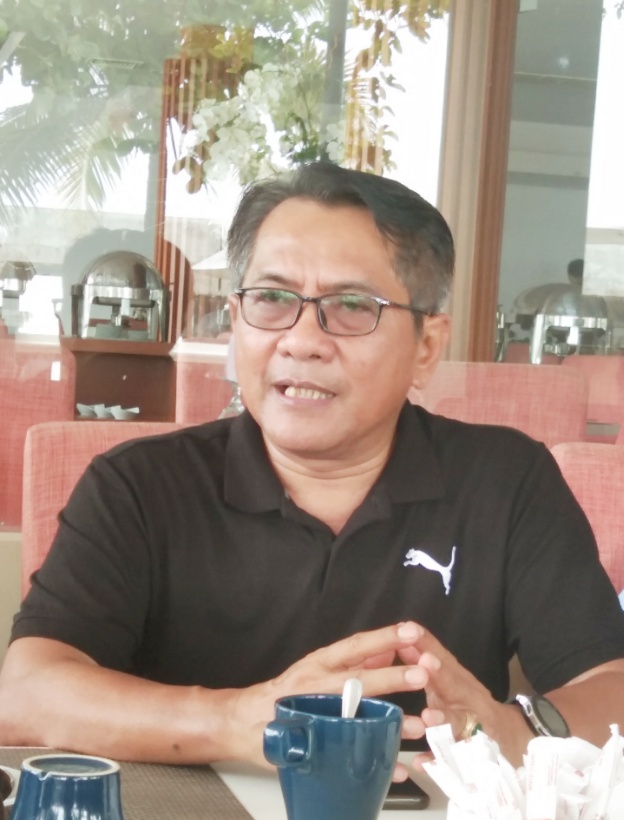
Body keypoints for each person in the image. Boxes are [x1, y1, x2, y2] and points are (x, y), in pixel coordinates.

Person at [1, 163, 623, 775]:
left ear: (427, 346)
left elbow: (611, 685)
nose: (301, 340)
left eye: (352, 306)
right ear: (236, 321)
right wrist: (239, 721)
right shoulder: (139, 487)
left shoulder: (505, 482)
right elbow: (26, 692)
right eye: (272, 299)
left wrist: (511, 730)